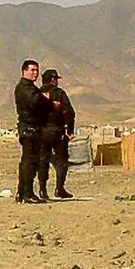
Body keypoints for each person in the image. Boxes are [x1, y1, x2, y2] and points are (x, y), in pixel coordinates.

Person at [13, 60, 55, 203]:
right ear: (24, 71)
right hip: (29, 128)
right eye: (32, 70)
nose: (35, 73)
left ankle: (23, 192)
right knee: (30, 162)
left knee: (30, 161)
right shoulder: (25, 88)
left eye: (37, 70)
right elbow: (36, 102)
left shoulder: (29, 87)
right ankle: (27, 193)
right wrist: (48, 101)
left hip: (33, 128)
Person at [38, 69, 75, 199]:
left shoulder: (37, 93)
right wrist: (70, 130)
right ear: (53, 79)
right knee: (62, 161)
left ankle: (42, 190)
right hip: (57, 131)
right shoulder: (59, 93)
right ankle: (59, 188)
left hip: (41, 132)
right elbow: (70, 112)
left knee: (43, 161)